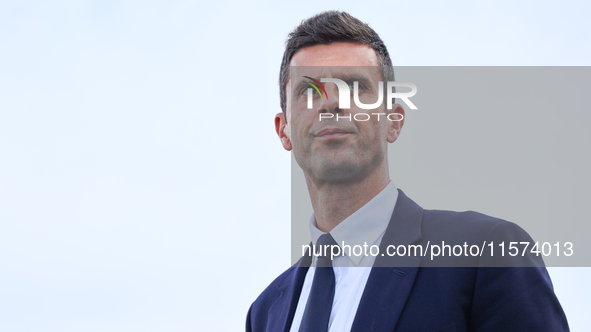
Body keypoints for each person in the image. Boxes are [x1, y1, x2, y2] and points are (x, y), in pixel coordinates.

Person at [246, 11, 569, 332]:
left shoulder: (485, 254)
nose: (331, 103)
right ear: (283, 130)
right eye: (310, 91)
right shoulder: (263, 314)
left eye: (355, 86)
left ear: (394, 119)